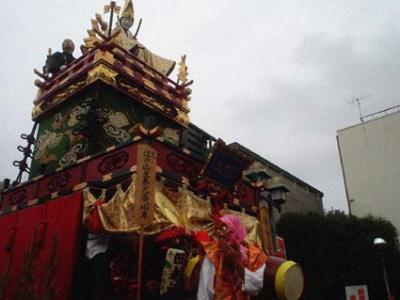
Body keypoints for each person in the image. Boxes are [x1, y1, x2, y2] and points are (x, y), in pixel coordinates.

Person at [196, 215, 268, 300]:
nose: (220, 233)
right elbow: (204, 292)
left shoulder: (255, 254)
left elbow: (256, 287)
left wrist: (237, 265)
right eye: (217, 229)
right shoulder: (213, 253)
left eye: (224, 228)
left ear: (236, 229)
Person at [112, 0, 175, 76]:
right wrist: (103, 25)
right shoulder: (116, 30)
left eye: (130, 21)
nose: (128, 23)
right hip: (122, 53)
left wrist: (135, 45)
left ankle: (161, 68)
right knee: (139, 48)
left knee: (146, 52)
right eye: (126, 20)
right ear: (121, 20)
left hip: (136, 54)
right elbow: (109, 37)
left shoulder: (130, 35)